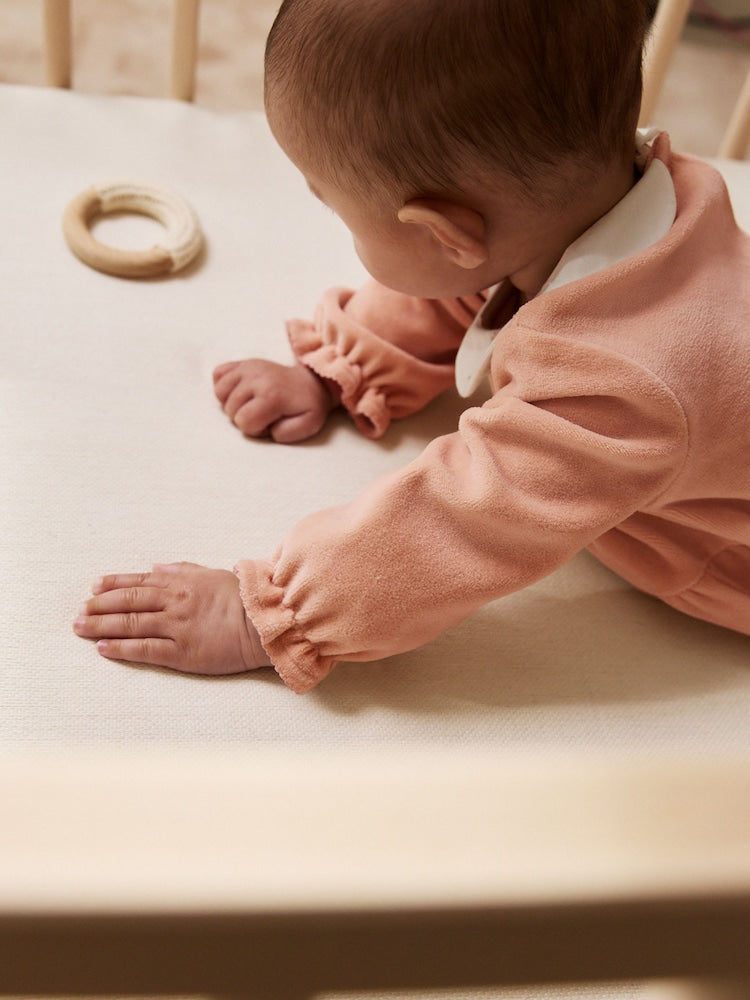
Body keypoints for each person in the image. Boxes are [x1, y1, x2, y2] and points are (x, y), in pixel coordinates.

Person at [73, 0, 750, 694]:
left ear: (445, 236)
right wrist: (343, 364)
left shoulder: (619, 390)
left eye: (339, 211)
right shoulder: (625, 197)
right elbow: (473, 282)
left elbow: (468, 521)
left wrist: (271, 613)